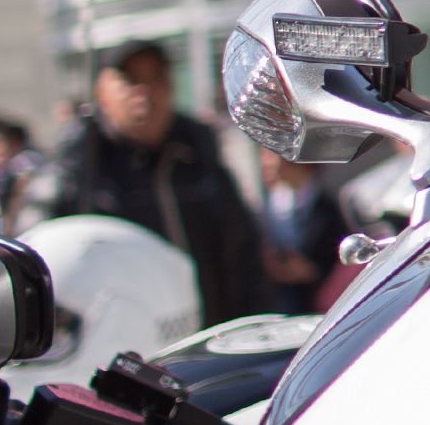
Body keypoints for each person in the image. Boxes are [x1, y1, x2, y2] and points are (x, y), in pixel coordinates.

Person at [39, 39, 263, 328]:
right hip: (122, 346)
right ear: (101, 94)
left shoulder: (199, 154)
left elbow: (244, 254)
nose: (144, 92)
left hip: (210, 343)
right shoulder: (80, 168)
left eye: (156, 77)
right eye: (129, 80)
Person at [255, 150, 344, 313]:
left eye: (271, 156)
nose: (265, 163)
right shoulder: (270, 206)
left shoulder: (332, 207)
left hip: (323, 302)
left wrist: (312, 271)